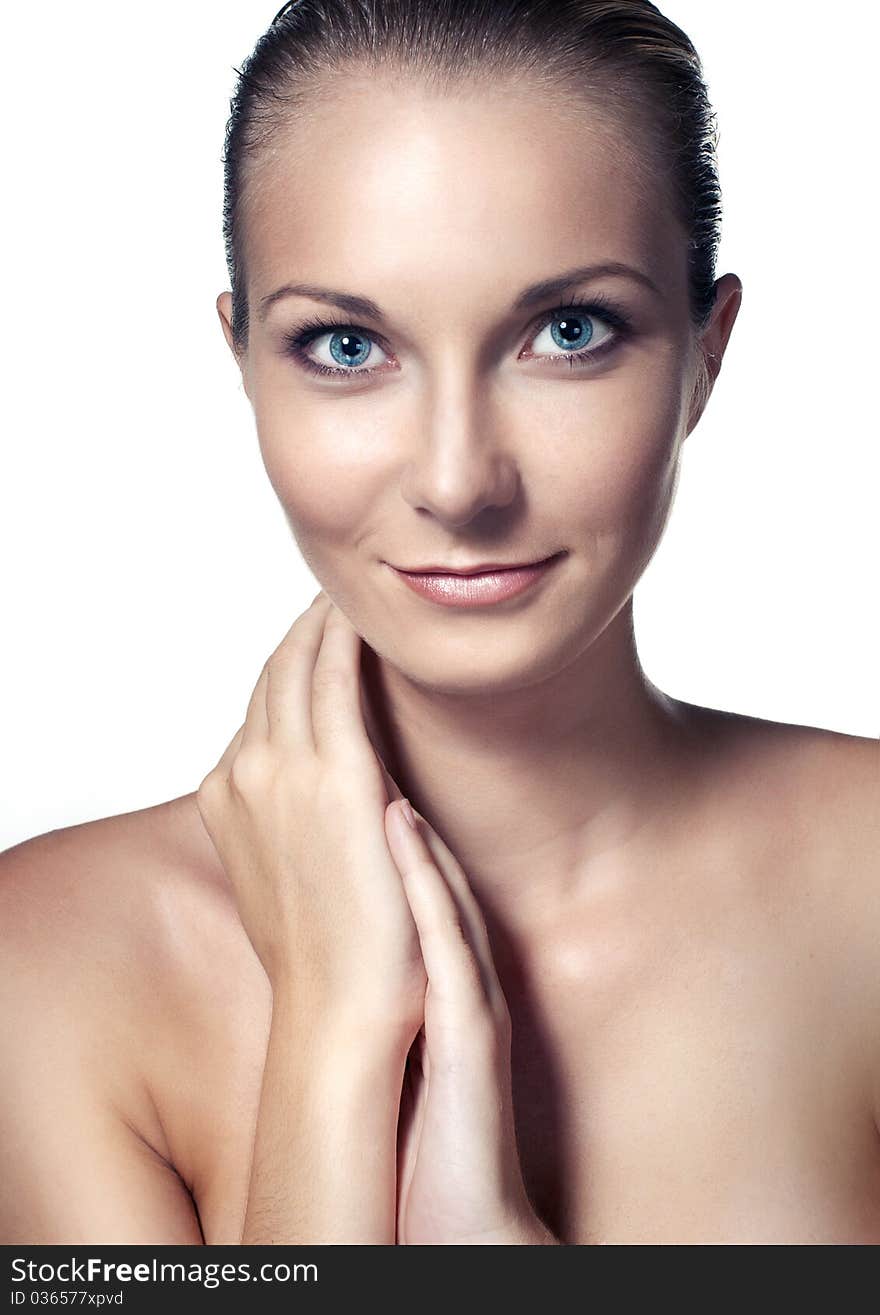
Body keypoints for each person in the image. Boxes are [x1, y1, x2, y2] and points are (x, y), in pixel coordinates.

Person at [1, 0, 877, 1247]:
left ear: (705, 353)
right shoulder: (43, 969)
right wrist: (333, 1031)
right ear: (242, 358)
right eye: (347, 344)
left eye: (569, 333)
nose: (460, 480)